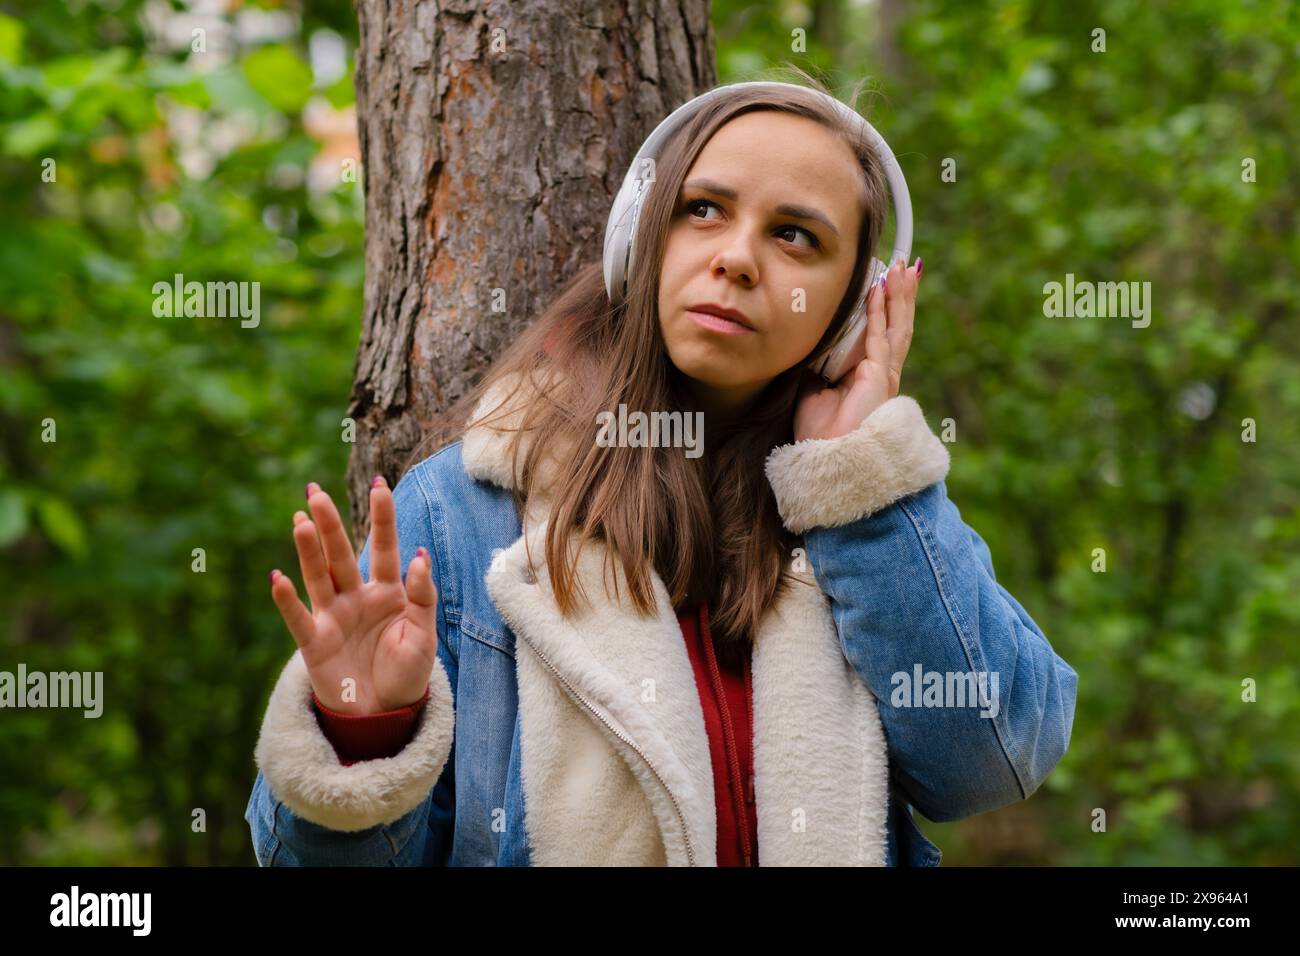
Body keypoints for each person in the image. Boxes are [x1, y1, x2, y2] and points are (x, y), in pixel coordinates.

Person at [244, 74, 1077, 867]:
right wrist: (363, 734)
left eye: (796, 235)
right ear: (640, 234)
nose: (739, 259)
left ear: (854, 306)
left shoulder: (872, 509)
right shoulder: (463, 512)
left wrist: (858, 486)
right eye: (703, 209)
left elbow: (989, 761)